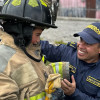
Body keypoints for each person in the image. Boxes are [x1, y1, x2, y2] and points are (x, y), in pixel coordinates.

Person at [0, 0, 59, 100]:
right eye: (37, 35)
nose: (38, 40)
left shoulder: (29, 50)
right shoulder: (4, 58)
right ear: (23, 30)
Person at [40, 22, 100, 100]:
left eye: (88, 43)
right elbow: (47, 48)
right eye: (81, 40)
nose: (81, 46)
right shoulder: (69, 51)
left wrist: (73, 93)